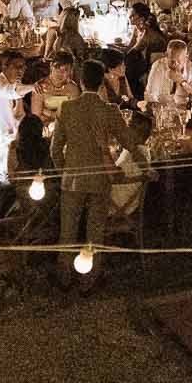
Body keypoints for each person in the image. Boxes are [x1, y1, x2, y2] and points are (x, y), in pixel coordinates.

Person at [51, 60, 130, 287]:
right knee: (95, 231)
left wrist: (64, 171)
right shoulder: (109, 111)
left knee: (67, 230)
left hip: (72, 178)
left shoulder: (67, 108)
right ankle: (89, 280)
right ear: (101, 82)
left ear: (82, 81)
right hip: (100, 180)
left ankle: (64, 278)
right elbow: (129, 141)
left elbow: (55, 149)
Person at [0, 49, 33, 139]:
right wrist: (33, 87)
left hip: (11, 135)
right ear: (5, 67)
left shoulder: (16, 84)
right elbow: (10, 91)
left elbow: (19, 115)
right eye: (17, 67)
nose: (21, 71)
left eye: (23, 67)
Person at [144, 37, 192, 107]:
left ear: (186, 57)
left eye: (179, 61)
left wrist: (182, 82)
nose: (175, 64)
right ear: (166, 55)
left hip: (184, 111)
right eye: (172, 61)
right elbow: (150, 97)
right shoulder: (158, 66)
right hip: (163, 110)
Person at [30, 53, 80, 124]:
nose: (60, 73)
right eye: (57, 67)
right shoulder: (40, 87)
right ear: (51, 66)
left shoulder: (73, 88)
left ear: (70, 71)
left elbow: (74, 115)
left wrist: (47, 112)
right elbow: (36, 117)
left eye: (65, 69)